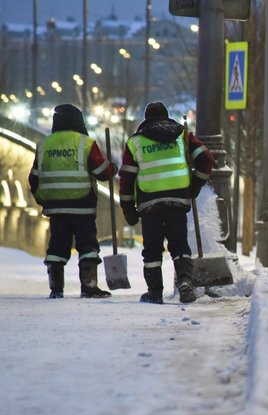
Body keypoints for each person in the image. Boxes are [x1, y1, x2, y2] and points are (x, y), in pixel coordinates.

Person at [119, 102, 213, 304]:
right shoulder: (182, 135)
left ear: (146, 120)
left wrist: (128, 207)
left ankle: (155, 292)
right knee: (179, 244)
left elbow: (127, 178)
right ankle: (186, 282)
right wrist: (194, 185)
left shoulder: (135, 142)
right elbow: (206, 158)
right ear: (167, 116)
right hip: (177, 200)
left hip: (149, 203)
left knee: (152, 248)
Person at [28, 103, 118, 299]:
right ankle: (89, 286)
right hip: (82, 204)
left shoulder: (44, 144)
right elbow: (102, 171)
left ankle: (56, 288)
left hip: (56, 207)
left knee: (57, 245)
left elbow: (34, 178)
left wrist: (42, 198)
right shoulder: (85, 143)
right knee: (87, 245)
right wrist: (113, 168)